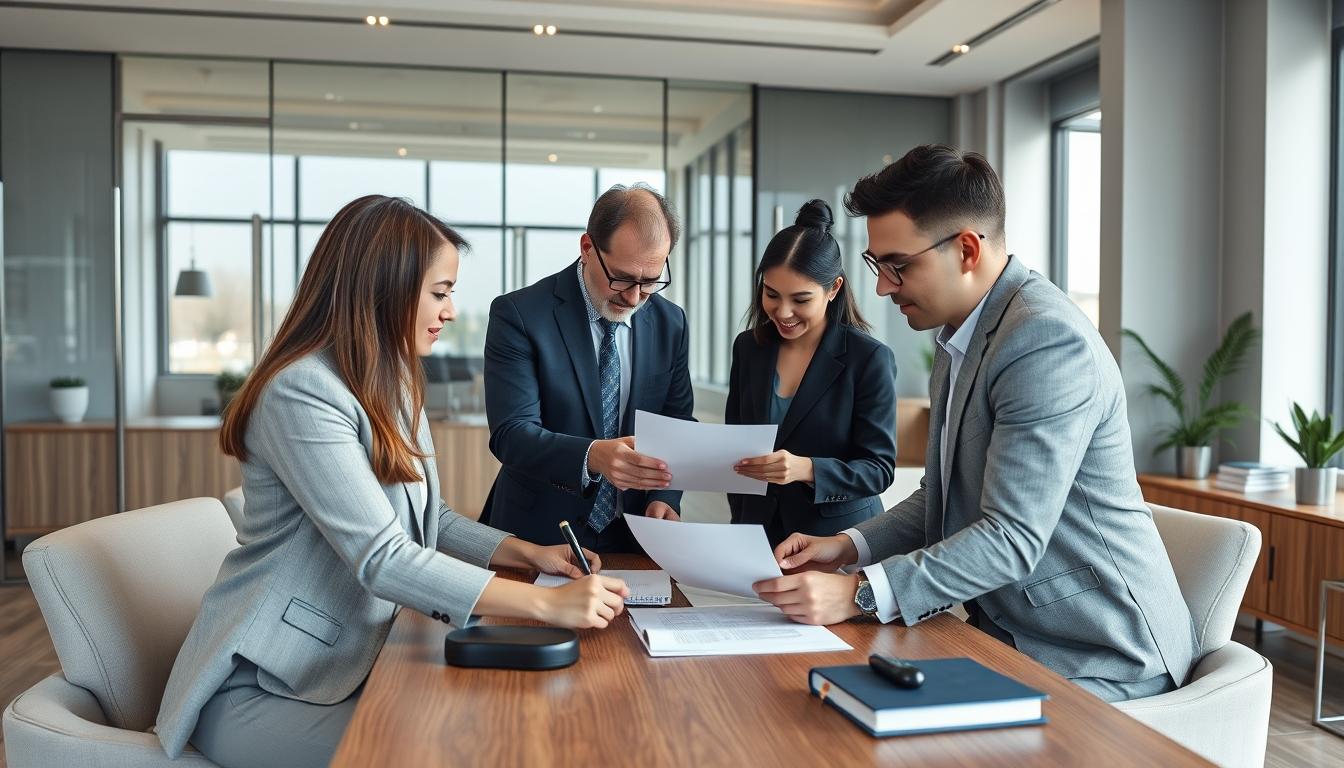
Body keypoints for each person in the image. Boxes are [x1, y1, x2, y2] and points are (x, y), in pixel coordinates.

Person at [156, 195, 630, 768]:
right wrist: (544, 606)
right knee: (460, 748)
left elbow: (433, 521)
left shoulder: (394, 380)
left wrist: (532, 553)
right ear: (383, 287)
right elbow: (382, 556)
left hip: (356, 665)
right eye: (440, 291)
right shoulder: (300, 392)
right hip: (266, 685)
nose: (451, 310)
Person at [753, 145, 1198, 702]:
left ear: (966, 249)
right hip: (1007, 635)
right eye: (876, 265)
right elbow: (941, 494)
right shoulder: (960, 335)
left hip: (1100, 652)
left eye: (898, 265)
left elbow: (1010, 539)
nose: (884, 287)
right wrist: (846, 545)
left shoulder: (1045, 342)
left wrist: (859, 594)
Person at [480, 183, 694, 554]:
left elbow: (676, 422)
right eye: (623, 277)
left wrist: (667, 496)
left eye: (649, 282)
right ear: (587, 248)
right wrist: (594, 455)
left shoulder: (670, 322)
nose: (633, 297)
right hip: (538, 534)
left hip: (636, 537)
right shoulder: (520, 315)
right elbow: (511, 434)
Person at [726, 199, 897, 547]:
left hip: (836, 542)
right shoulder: (749, 348)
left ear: (833, 289)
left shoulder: (869, 359)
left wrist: (807, 470)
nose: (782, 311)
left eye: (801, 300)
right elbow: (735, 445)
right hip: (757, 536)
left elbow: (878, 470)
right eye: (771, 294)